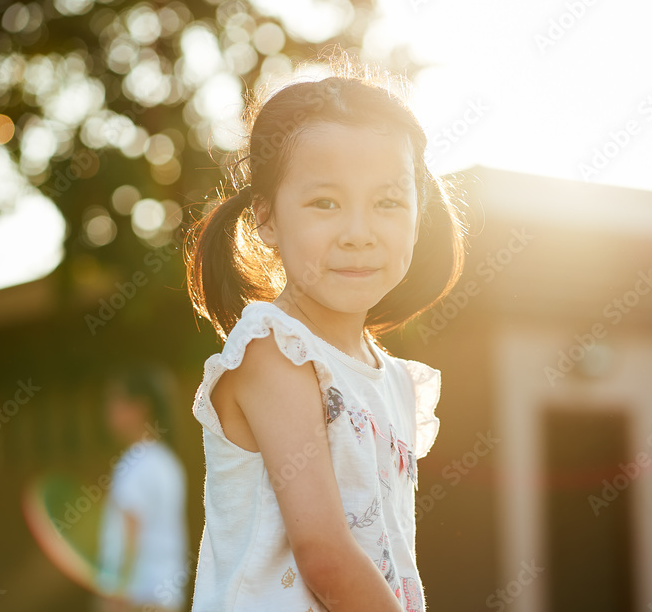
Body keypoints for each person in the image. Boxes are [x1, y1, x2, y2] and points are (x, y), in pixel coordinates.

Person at [183, 48, 469, 612]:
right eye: (326, 202)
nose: (359, 232)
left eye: (388, 201)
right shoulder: (276, 351)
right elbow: (325, 555)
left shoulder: (390, 379)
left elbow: (383, 552)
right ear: (265, 216)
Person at [95, 365, 190, 612]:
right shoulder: (168, 462)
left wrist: (114, 594)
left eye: (116, 400)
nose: (109, 409)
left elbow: (130, 531)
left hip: (135, 598)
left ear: (140, 407)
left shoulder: (133, 463)